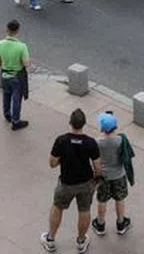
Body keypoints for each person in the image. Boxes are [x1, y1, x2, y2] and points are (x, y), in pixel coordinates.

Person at [41, 108, 102, 254]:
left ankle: (50, 239)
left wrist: (64, 158)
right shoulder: (91, 143)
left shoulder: (61, 140)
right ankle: (81, 242)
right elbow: (98, 167)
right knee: (84, 209)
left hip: (66, 183)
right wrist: (96, 179)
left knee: (57, 207)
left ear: (70, 123)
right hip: (86, 183)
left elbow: (52, 163)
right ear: (84, 124)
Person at [91, 111, 133, 237]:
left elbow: (94, 159)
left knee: (102, 200)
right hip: (119, 174)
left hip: (103, 176)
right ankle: (121, 223)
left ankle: (100, 224)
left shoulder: (97, 142)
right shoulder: (120, 140)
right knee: (120, 199)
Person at [0, 19, 31, 131]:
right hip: (17, 76)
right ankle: (16, 121)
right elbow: (26, 63)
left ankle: (7, 114)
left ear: (6, 29)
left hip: (5, 74)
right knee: (16, 99)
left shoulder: (0, 44)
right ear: (17, 30)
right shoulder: (22, 46)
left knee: (6, 95)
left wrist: (3, 65)